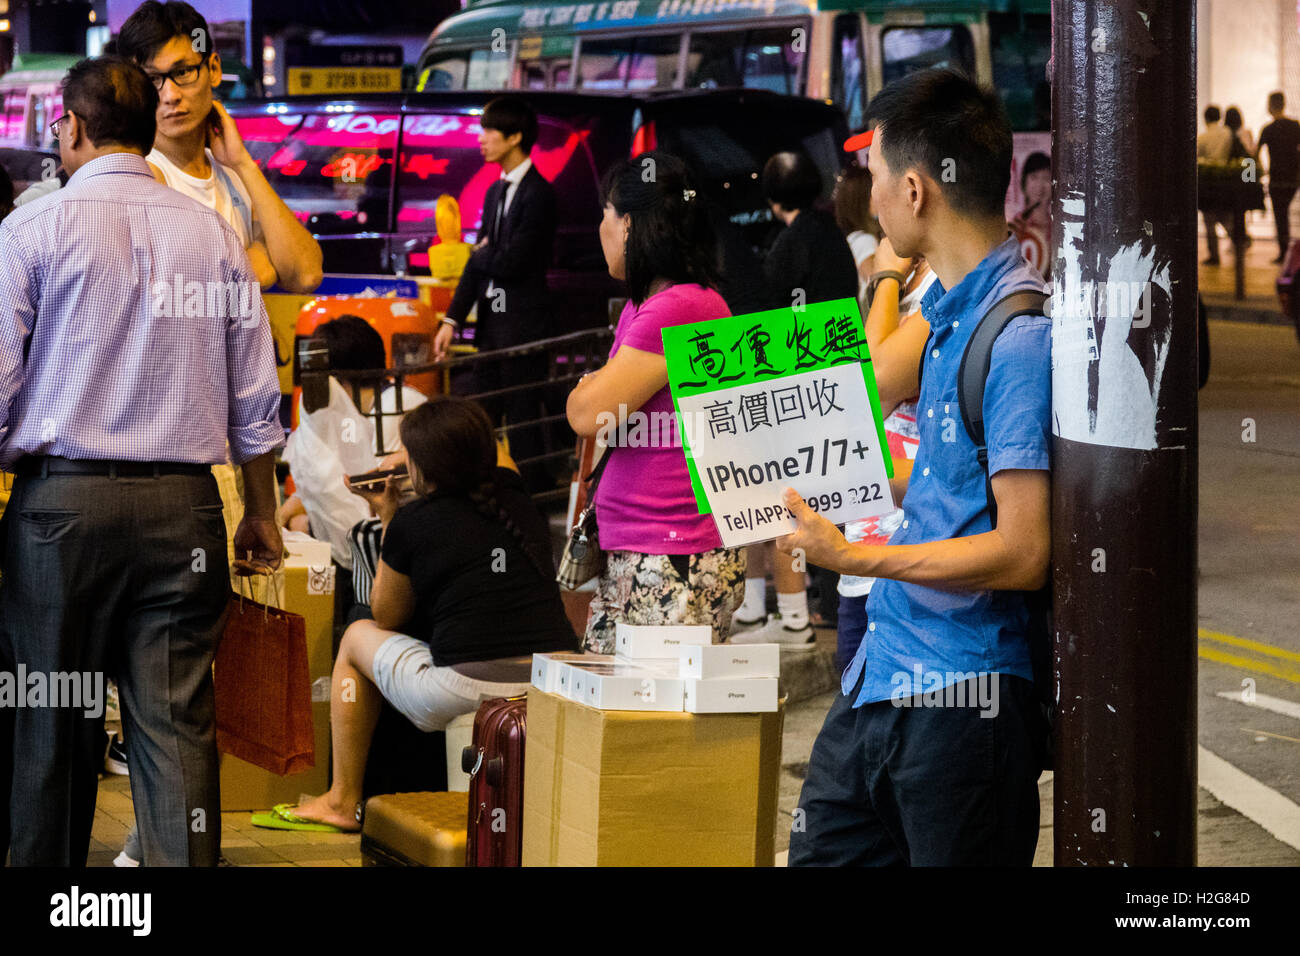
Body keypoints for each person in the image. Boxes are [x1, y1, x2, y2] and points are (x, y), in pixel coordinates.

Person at [0, 55, 283, 866]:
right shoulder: (212, 235)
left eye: (58, 124)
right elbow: (255, 402)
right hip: (184, 513)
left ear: (78, 127)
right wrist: (259, 512)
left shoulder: (30, 229)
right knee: (174, 723)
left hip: (61, 515)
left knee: (51, 720)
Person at [780, 68, 1051, 866]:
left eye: (872, 176)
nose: (866, 197)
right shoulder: (945, 310)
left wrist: (852, 556)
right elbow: (941, 472)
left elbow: (1024, 551)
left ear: (914, 189)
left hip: (963, 701)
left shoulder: (1018, 336)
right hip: (882, 676)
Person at [274, 397, 577, 831]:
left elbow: (388, 615)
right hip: (552, 681)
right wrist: (426, 449)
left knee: (356, 636)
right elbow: (493, 453)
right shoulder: (517, 498)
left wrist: (388, 513)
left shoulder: (414, 522)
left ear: (419, 467)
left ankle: (341, 800)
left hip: (463, 688)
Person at [565, 150, 746, 653]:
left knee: (656, 722)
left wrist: (588, 387)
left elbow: (588, 413)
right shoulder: (652, 306)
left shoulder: (681, 307)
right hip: (644, 547)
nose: (599, 227)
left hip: (671, 552)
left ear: (629, 225)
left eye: (604, 213)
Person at [731, 149, 860, 646]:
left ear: (769, 196)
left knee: (780, 501)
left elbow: (769, 322)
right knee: (820, 503)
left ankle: (790, 618)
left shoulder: (788, 245)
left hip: (793, 393)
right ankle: (796, 609)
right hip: (835, 391)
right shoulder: (835, 239)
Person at [117, 1, 323, 294]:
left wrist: (244, 165)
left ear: (213, 69)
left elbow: (306, 274)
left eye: (184, 71)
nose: (170, 95)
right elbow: (181, 294)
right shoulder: (141, 177)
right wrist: (254, 265)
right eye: (152, 80)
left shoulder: (233, 171)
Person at [435, 95, 557, 491]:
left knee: (522, 422)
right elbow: (481, 262)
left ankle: (533, 500)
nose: (481, 139)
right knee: (481, 417)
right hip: (491, 328)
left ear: (515, 137)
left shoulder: (540, 194)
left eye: (489, 131)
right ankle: (484, 494)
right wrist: (452, 319)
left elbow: (514, 263)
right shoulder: (494, 192)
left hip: (524, 328)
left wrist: (483, 253)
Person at [833, 234, 935, 672]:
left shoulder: (947, 281)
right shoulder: (903, 272)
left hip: (912, 555)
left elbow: (871, 388)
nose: (873, 198)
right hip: (861, 555)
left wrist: (887, 277)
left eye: (876, 176)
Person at [1256, 91, 1300, 263]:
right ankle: (1288, 253)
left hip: (1276, 179)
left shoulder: (1268, 129)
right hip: (1293, 179)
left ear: (1270, 106)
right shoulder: (1295, 126)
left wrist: (1251, 178)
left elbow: (1253, 155)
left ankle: (1284, 253)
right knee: (1285, 214)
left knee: (1280, 216)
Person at [832, 164, 880, 303]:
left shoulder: (853, 239)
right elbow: (876, 281)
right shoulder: (864, 241)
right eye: (874, 191)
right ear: (862, 200)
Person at [1197, 105, 1234, 265]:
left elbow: (1197, 158)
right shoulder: (1227, 134)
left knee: (1209, 220)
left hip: (1208, 182)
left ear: (1205, 118)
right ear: (1220, 117)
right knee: (1225, 216)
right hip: (1225, 180)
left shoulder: (1202, 137)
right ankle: (1239, 239)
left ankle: (1214, 255)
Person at [1224, 107, 1254, 254]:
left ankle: (1238, 240)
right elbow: (1252, 155)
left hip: (1232, 177)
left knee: (1232, 212)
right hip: (1247, 175)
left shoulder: (1227, 135)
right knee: (1241, 212)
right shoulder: (1247, 133)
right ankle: (1241, 239)